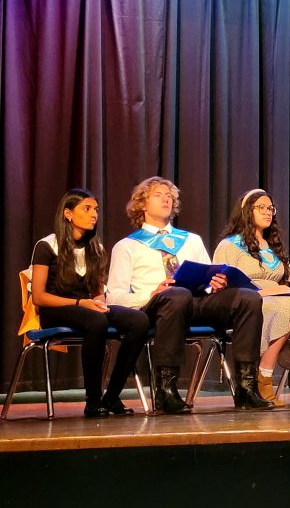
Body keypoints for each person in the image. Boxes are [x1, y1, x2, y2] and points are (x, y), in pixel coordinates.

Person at [107, 177, 272, 413]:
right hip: (157, 308)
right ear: (142, 204)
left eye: (169, 195)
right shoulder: (127, 246)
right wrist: (151, 292)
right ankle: (166, 391)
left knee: (248, 298)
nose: (166, 198)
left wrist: (213, 284)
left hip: (194, 303)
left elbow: (207, 276)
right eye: (158, 195)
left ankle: (246, 388)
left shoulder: (190, 240)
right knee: (176, 295)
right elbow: (115, 297)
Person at [30, 189, 149, 418]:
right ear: (68, 214)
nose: (94, 214)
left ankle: (112, 396)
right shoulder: (46, 246)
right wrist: (81, 303)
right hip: (55, 309)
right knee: (96, 321)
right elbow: (39, 297)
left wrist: (98, 301)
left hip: (87, 308)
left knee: (139, 320)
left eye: (95, 209)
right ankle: (93, 401)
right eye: (87, 209)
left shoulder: (95, 248)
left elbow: (97, 292)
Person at [213, 189, 290, 406]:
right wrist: (272, 291)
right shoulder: (229, 246)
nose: (268, 213)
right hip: (248, 303)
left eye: (270, 209)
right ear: (247, 211)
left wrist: (284, 290)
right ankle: (264, 377)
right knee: (282, 307)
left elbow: (289, 280)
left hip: (280, 297)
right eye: (261, 208)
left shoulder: (273, 246)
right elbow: (221, 286)